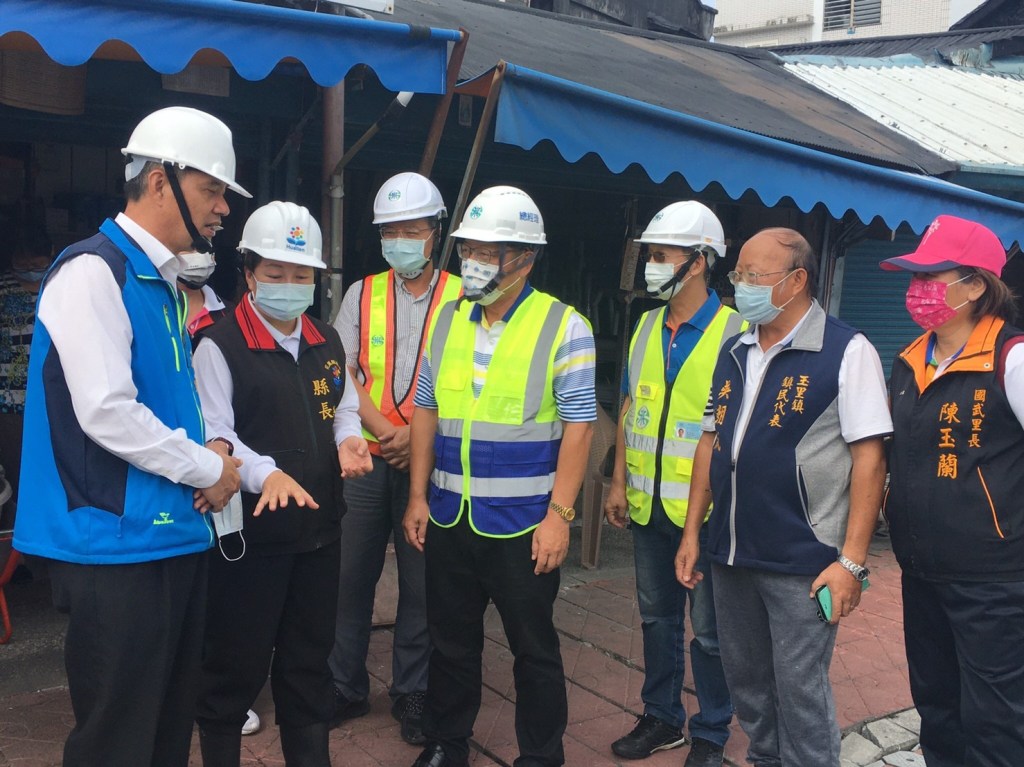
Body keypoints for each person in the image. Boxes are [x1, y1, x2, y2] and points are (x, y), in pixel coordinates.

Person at [12, 105, 247, 767]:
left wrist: (217, 450)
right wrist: (207, 468)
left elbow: (174, 402)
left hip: (170, 537)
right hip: (114, 548)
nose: (223, 208)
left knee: (166, 735)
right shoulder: (94, 271)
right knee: (117, 742)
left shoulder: (163, 282)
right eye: (212, 189)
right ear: (158, 181)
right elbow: (107, 410)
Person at [675, 228, 891, 767]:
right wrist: (693, 531)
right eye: (738, 274)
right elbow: (710, 441)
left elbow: (869, 460)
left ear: (796, 281)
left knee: (799, 687)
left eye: (754, 276)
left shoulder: (846, 350)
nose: (741, 286)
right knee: (746, 681)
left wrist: (852, 562)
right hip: (731, 552)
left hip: (804, 560)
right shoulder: (735, 349)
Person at [402, 186, 596, 767]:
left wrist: (559, 517)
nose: (474, 263)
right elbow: (426, 409)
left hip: (523, 524)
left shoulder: (564, 326)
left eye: (489, 253)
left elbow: (580, 427)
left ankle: (541, 756)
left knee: (533, 649)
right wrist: (417, 496)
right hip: (449, 514)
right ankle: (447, 743)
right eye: (469, 251)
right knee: (450, 641)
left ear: (525, 259)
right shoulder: (447, 320)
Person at [192, 201, 373, 766]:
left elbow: (344, 406)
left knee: (308, 668)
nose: (289, 286)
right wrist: (266, 472)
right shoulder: (219, 345)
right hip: (249, 543)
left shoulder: (326, 340)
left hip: (319, 534)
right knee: (234, 669)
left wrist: (349, 439)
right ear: (249, 273)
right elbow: (215, 434)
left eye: (301, 275)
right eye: (275, 272)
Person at [880, 215, 1024, 767]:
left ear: (976, 285)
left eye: (931, 276)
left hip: (994, 580)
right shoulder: (908, 360)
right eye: (914, 277)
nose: (918, 290)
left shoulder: (1011, 359)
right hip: (921, 571)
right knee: (937, 707)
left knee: (995, 719)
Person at [604, 202, 741, 766]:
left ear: (699, 261)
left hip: (705, 514)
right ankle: (661, 717)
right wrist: (617, 481)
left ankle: (712, 730)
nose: (651, 265)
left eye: (662, 255)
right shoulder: (644, 326)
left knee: (709, 632)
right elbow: (630, 407)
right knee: (656, 618)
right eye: (650, 255)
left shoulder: (737, 334)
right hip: (646, 504)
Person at [329, 172, 461, 743]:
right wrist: (389, 433)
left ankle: (412, 691)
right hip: (366, 454)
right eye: (391, 231)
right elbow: (340, 369)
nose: (401, 240)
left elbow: (468, 382)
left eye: (412, 229)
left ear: (436, 232)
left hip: (430, 462)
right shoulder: (362, 294)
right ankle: (343, 685)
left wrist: (417, 440)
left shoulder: (464, 298)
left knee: (422, 580)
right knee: (348, 574)